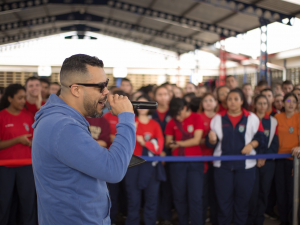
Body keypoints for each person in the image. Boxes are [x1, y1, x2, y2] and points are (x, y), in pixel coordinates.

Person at [31, 54, 136, 225]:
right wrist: (126, 118)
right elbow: (113, 170)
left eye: (106, 85)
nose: (106, 92)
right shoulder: (63, 126)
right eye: (101, 86)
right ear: (76, 89)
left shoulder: (62, 121)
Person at [207, 88, 266, 225]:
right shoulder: (218, 118)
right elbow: (210, 143)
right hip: (222, 168)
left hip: (246, 167)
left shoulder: (251, 117)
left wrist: (251, 145)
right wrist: (211, 140)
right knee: (223, 203)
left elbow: (261, 138)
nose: (232, 102)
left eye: (236, 99)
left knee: (242, 203)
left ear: (241, 101)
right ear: (226, 101)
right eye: (229, 99)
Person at [124, 94, 165, 225]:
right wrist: (131, 131)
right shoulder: (130, 121)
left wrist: (145, 143)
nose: (141, 107)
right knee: (133, 201)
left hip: (150, 166)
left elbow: (159, 147)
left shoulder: (155, 124)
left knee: (151, 200)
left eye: (145, 104)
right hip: (133, 164)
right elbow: (122, 143)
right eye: (139, 104)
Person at [0, 84, 37, 225]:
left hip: (27, 166)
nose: (23, 101)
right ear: (10, 98)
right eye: (20, 98)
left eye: (24, 98)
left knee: (28, 205)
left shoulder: (29, 116)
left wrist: (31, 142)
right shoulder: (2, 116)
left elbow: (35, 141)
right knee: (4, 205)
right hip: (4, 167)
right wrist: (18, 140)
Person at [165, 97, 204, 225]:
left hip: (195, 162)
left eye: (179, 114)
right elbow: (168, 143)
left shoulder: (197, 117)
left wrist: (179, 143)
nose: (178, 117)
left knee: (196, 197)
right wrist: (172, 144)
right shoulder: (171, 122)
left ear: (185, 108)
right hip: (177, 163)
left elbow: (196, 140)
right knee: (179, 196)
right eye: (175, 114)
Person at [247, 94, 279, 225]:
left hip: (267, 163)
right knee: (251, 192)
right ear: (254, 104)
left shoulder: (273, 121)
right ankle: (250, 219)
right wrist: (257, 157)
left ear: (268, 105)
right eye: (259, 103)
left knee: (264, 191)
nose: (262, 106)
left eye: (264, 103)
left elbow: (275, 143)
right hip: (251, 161)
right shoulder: (248, 119)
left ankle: (259, 219)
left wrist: (264, 157)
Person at [274, 92, 300, 224]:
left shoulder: (299, 117)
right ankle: (283, 220)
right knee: (280, 191)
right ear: (283, 103)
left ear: (297, 104)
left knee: (292, 192)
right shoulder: (277, 117)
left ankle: (292, 220)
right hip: (279, 160)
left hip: (294, 161)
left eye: (293, 102)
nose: (291, 104)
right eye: (288, 101)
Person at [151, 85, 173, 225]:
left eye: (165, 94)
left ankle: (165, 217)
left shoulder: (174, 112)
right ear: (155, 97)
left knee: (167, 188)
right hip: (152, 155)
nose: (163, 97)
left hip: (170, 156)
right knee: (153, 189)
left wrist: (166, 151)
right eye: (160, 94)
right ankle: (153, 217)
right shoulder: (149, 112)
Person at [198, 93, 218, 225]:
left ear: (216, 102)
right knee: (202, 192)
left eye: (211, 100)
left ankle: (215, 218)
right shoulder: (198, 117)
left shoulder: (221, 117)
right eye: (205, 100)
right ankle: (202, 218)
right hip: (202, 159)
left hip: (217, 159)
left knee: (217, 191)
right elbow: (194, 139)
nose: (208, 103)